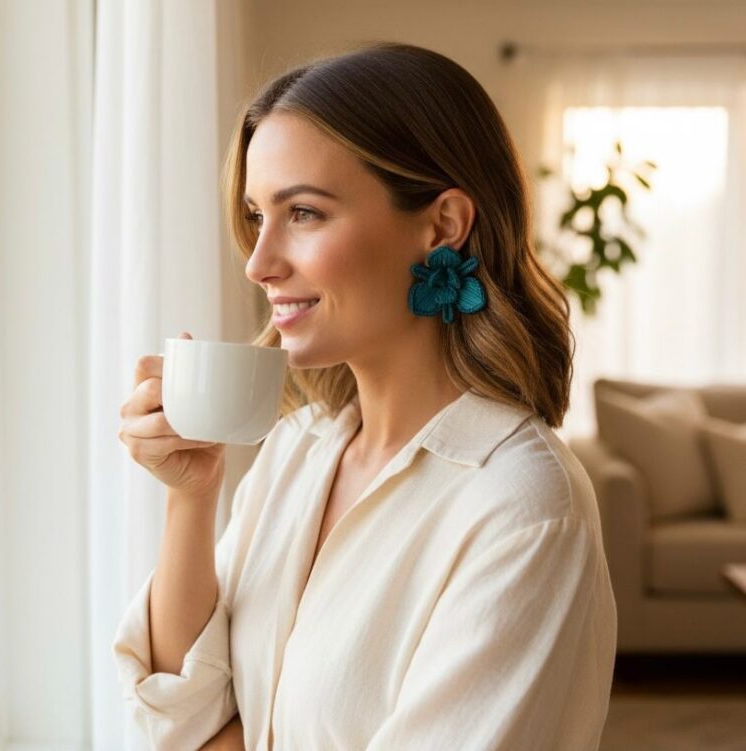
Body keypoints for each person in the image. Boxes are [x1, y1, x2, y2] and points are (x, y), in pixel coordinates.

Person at [113, 41, 617, 750]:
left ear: (441, 224)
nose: (260, 263)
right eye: (258, 216)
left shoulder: (523, 507)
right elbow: (176, 712)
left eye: (306, 213)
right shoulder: (298, 448)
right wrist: (189, 495)